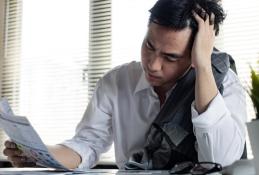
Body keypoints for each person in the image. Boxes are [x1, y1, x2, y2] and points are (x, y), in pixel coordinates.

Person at [3, 0, 246, 170]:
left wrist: (203, 66)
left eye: (171, 57)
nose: (153, 64)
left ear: (196, 51)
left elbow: (221, 161)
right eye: (149, 46)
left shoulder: (223, 83)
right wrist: (40, 154)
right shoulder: (116, 82)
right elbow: (86, 145)